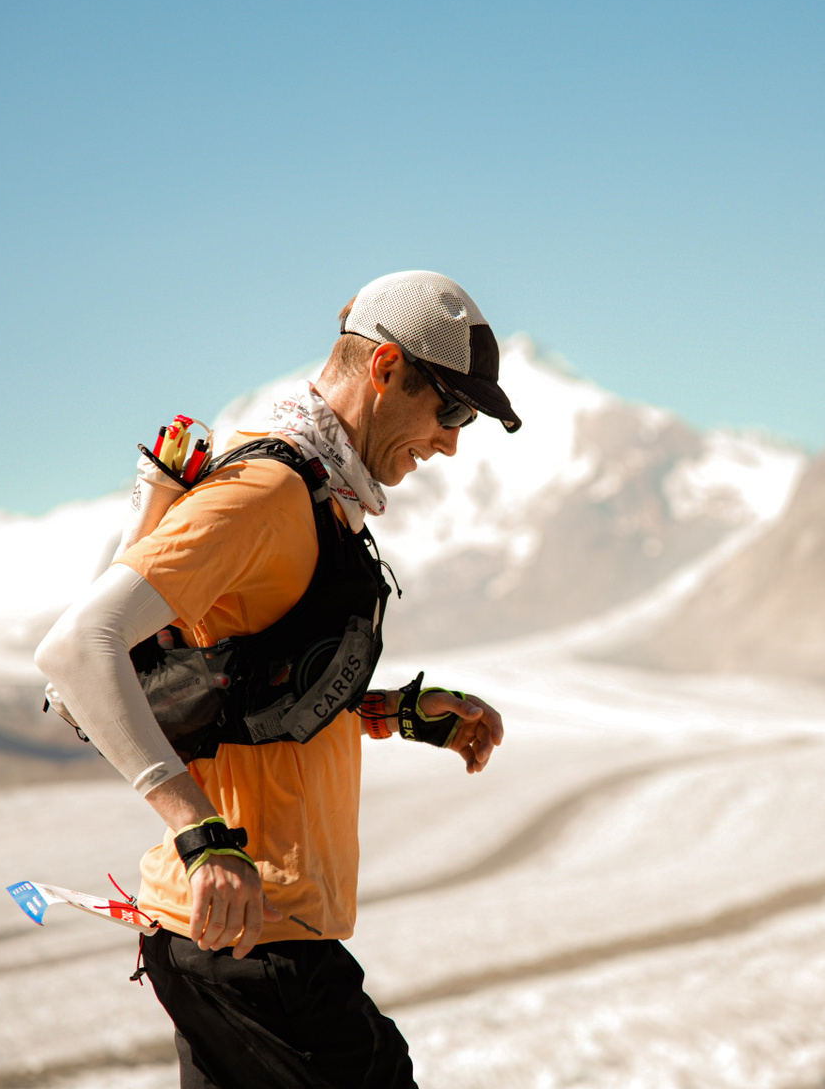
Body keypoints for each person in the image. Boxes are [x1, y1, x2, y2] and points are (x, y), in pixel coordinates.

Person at [35, 270, 520, 1088]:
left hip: (241, 939)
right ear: (387, 368)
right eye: (452, 411)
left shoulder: (325, 496)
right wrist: (199, 833)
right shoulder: (266, 491)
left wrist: (397, 714)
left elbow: (252, 691)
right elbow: (78, 647)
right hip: (255, 942)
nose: (451, 443)